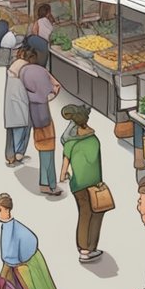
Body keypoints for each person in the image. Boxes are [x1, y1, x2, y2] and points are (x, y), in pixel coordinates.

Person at [60, 105, 105, 263]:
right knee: (96, 214)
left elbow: (64, 167)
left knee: (84, 214)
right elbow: (97, 163)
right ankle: (89, 248)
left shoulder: (70, 143)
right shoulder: (94, 140)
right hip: (94, 184)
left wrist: (64, 175)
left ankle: (84, 248)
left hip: (78, 185)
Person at [19, 47, 62, 196]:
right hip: (44, 116)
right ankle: (49, 184)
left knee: (43, 151)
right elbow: (54, 87)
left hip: (31, 116)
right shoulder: (41, 71)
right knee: (48, 152)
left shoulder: (23, 72)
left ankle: (46, 183)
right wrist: (49, 96)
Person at [4, 50, 32, 165]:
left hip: (10, 104)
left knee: (11, 131)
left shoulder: (12, 68)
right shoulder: (26, 68)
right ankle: (19, 153)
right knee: (24, 127)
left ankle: (10, 156)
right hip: (23, 103)